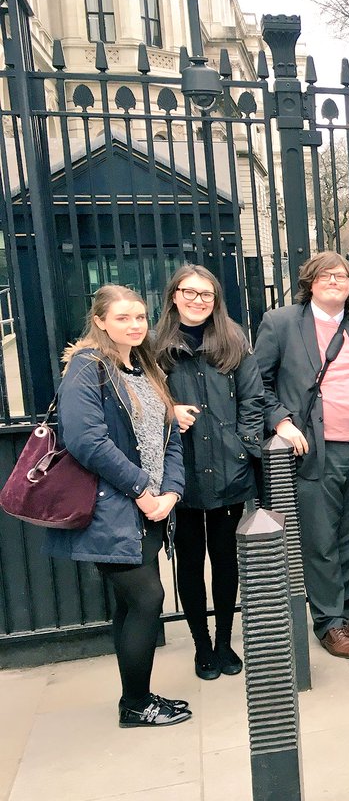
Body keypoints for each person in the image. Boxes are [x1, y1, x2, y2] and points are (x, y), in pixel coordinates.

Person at [46, 285, 190, 727]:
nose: (135, 325)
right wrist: (143, 491)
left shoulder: (145, 367)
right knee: (147, 599)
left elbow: (169, 437)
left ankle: (137, 697)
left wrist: (171, 492)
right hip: (113, 509)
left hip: (148, 507)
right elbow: (86, 440)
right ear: (101, 321)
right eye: (124, 317)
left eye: (141, 317)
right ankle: (135, 704)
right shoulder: (88, 368)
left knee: (132, 606)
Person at [255, 251, 349, 660]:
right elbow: (256, 382)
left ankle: (342, 615)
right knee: (321, 539)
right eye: (326, 276)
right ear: (309, 282)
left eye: (343, 276)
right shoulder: (281, 323)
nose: (335, 281)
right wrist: (281, 422)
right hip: (316, 450)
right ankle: (327, 623)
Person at [155, 265, 264, 681]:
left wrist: (242, 442)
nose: (198, 300)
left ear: (215, 300)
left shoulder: (233, 342)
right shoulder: (153, 346)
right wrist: (169, 412)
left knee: (225, 561)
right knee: (189, 561)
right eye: (190, 292)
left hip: (229, 472)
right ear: (174, 296)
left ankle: (223, 642)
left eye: (206, 294)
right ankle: (201, 646)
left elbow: (254, 399)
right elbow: (141, 402)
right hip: (180, 473)